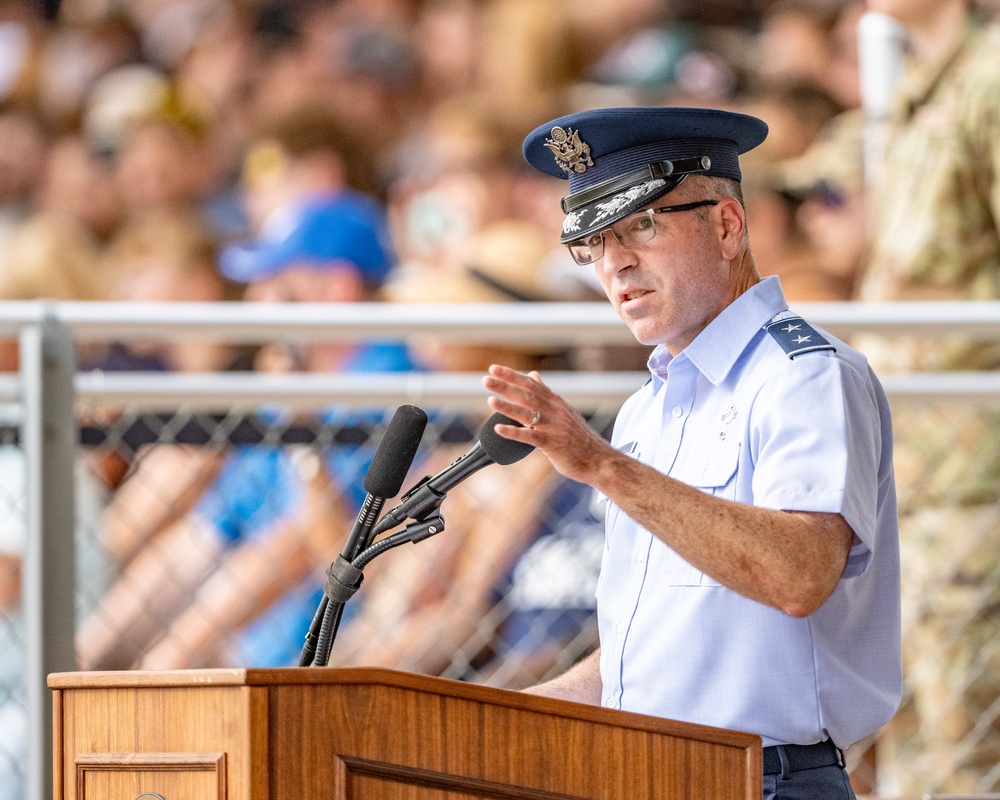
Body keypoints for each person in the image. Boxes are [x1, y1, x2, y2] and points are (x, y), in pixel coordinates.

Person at [480, 106, 901, 800]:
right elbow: (647, 654)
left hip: (766, 780)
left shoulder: (804, 374)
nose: (615, 262)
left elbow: (798, 575)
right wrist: (501, 716)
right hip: (648, 773)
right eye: (594, 242)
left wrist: (605, 468)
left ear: (728, 225)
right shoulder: (647, 408)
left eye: (641, 225)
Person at [853, 0, 1000, 794]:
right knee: (914, 736)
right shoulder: (921, 83)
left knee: (966, 745)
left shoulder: (990, 80)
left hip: (976, 467)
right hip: (919, 467)